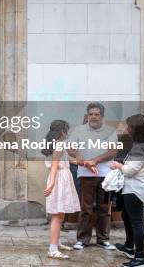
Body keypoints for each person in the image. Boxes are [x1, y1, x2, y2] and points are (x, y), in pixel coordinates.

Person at [67, 102, 118, 251]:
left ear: (102, 116)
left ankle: (103, 239)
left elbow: (113, 152)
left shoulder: (110, 131)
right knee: (86, 208)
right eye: (91, 114)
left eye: (97, 114)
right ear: (87, 115)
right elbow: (70, 148)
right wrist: (78, 155)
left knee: (103, 208)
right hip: (85, 175)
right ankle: (82, 239)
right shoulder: (79, 130)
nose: (93, 117)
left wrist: (95, 160)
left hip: (105, 175)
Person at [110, 114, 144, 267]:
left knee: (137, 223)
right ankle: (129, 246)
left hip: (135, 189)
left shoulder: (140, 147)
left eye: (129, 126)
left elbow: (131, 170)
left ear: (137, 129)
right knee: (126, 215)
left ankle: (140, 258)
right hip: (137, 187)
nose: (127, 129)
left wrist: (118, 166)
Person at [43, 120, 81, 260]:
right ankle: (52, 249)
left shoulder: (57, 144)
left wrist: (87, 163)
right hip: (59, 179)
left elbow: (68, 160)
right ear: (62, 132)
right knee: (58, 216)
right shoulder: (58, 145)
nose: (68, 133)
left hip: (61, 178)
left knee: (60, 213)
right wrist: (52, 183)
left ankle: (57, 243)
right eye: (67, 130)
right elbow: (54, 166)